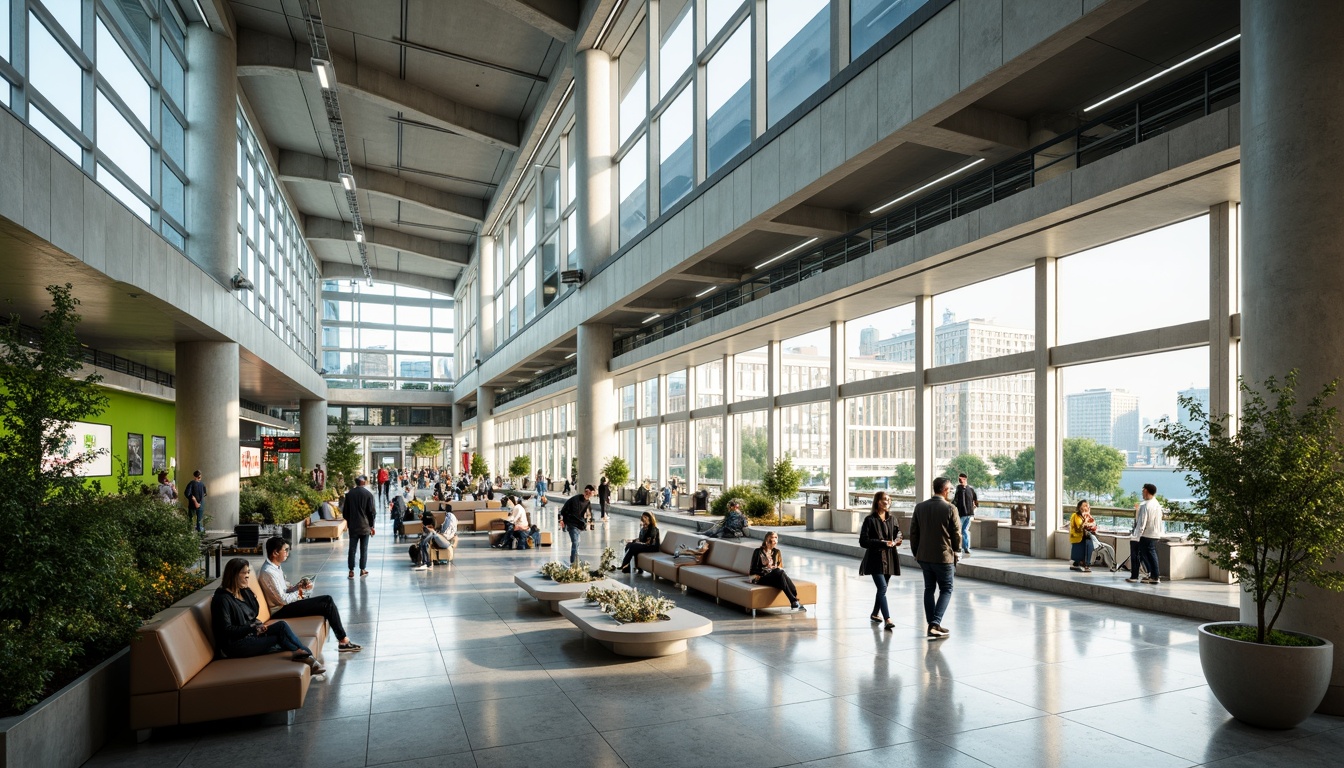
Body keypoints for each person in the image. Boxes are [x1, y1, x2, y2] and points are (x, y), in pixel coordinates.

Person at [211, 558, 324, 675]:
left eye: (248, 572)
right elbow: (226, 630)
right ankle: (308, 658)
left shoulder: (243, 591)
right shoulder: (222, 599)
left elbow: (252, 615)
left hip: (250, 634)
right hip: (235, 645)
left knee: (281, 626)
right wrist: (252, 628)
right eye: (244, 573)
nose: (247, 576)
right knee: (280, 637)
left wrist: (258, 626)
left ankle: (305, 655)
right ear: (233, 575)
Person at [258, 537, 362, 651]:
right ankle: (343, 641)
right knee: (327, 601)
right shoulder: (268, 572)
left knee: (326, 602)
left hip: (285, 605)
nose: (287, 553)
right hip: (280, 610)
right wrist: (300, 591)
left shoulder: (275, 567)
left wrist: (299, 586)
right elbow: (282, 600)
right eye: (285, 550)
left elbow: (284, 589)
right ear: (275, 552)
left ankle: (343, 640)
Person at [910, 476, 960, 640]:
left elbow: (914, 533)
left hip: (924, 556)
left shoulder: (920, 507)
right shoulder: (951, 508)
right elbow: (956, 534)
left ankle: (933, 625)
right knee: (946, 589)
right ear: (945, 490)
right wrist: (957, 551)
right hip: (943, 556)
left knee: (929, 589)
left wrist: (916, 552)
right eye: (950, 489)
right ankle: (935, 623)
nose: (950, 492)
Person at [859, 491, 901, 630]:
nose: (887, 502)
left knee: (882, 589)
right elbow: (863, 541)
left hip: (889, 557)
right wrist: (882, 543)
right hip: (875, 558)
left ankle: (875, 613)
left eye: (889, 500)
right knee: (882, 587)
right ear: (877, 502)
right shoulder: (869, 520)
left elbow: (897, 535)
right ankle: (888, 618)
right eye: (884, 499)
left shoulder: (893, 519)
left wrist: (897, 540)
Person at [751, 531, 804, 611]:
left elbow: (780, 567)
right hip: (760, 577)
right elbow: (753, 570)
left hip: (775, 576)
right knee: (779, 573)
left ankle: (794, 601)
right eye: (772, 538)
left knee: (780, 574)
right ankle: (794, 600)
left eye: (776, 538)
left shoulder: (777, 552)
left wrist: (773, 569)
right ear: (767, 540)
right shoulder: (758, 552)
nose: (775, 541)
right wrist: (767, 570)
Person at [1129, 483, 1164, 584]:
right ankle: (1153, 575)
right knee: (1151, 553)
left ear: (1146, 491)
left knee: (1147, 554)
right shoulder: (1157, 504)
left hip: (1147, 533)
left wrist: (1137, 535)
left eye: (1143, 491)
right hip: (1155, 533)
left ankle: (1154, 575)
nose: (1142, 493)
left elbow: (1142, 522)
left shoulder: (1145, 505)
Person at [344, 475, 377, 578]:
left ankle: (351, 570)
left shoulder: (349, 494)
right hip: (365, 527)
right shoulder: (368, 495)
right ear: (363, 483)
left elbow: (345, 512)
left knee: (352, 549)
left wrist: (349, 521)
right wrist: (372, 526)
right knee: (364, 549)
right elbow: (372, 512)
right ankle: (362, 569)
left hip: (353, 526)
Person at [558, 485, 595, 565]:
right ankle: (573, 562)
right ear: (588, 491)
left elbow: (590, 514)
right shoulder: (576, 499)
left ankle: (576, 560)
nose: (594, 494)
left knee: (577, 543)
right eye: (592, 492)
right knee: (575, 542)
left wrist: (589, 523)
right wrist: (561, 520)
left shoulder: (588, 502)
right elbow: (564, 510)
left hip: (579, 525)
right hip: (571, 523)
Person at [953, 473, 978, 555]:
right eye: (960, 480)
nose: (961, 481)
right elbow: (956, 500)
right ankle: (961, 547)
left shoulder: (970, 489)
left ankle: (965, 547)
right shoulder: (959, 489)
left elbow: (975, 499)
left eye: (962, 479)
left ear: (965, 479)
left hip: (968, 514)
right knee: (961, 531)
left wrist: (975, 507)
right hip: (962, 514)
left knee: (963, 530)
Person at [1070, 500, 1098, 572]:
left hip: (1086, 536)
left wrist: (1089, 524)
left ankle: (1086, 563)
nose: (1086, 507)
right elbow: (1080, 527)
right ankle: (1081, 563)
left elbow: (1093, 524)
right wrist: (1086, 522)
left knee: (1089, 544)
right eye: (1084, 506)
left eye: (1087, 506)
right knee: (1084, 545)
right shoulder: (1075, 516)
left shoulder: (1088, 515)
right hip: (1078, 537)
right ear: (1079, 507)